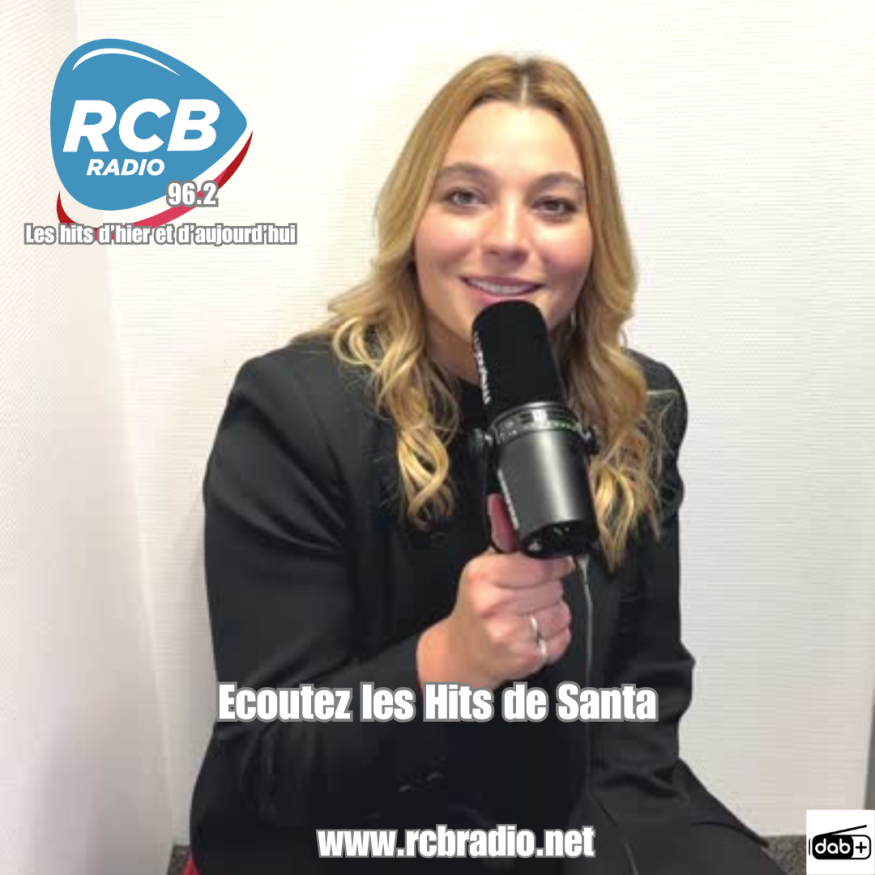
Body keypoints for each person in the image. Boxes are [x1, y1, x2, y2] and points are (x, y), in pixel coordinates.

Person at [189, 54, 786, 874]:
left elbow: (644, 685)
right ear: (414, 220)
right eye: (464, 195)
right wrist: (447, 663)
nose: (507, 239)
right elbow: (268, 758)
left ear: (595, 236)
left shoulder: (637, 403)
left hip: (565, 800)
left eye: (553, 204)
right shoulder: (294, 410)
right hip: (353, 824)